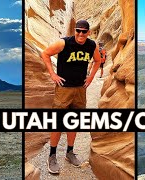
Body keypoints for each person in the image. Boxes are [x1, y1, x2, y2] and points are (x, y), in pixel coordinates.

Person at [41, 19, 101, 174]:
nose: (80, 34)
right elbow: (45, 54)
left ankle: (69, 152)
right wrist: (53, 74)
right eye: (78, 31)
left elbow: (98, 60)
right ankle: (52, 156)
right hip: (64, 89)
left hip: (80, 89)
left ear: (89, 32)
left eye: (84, 31)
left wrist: (91, 77)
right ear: (75, 31)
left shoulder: (91, 45)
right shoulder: (64, 43)